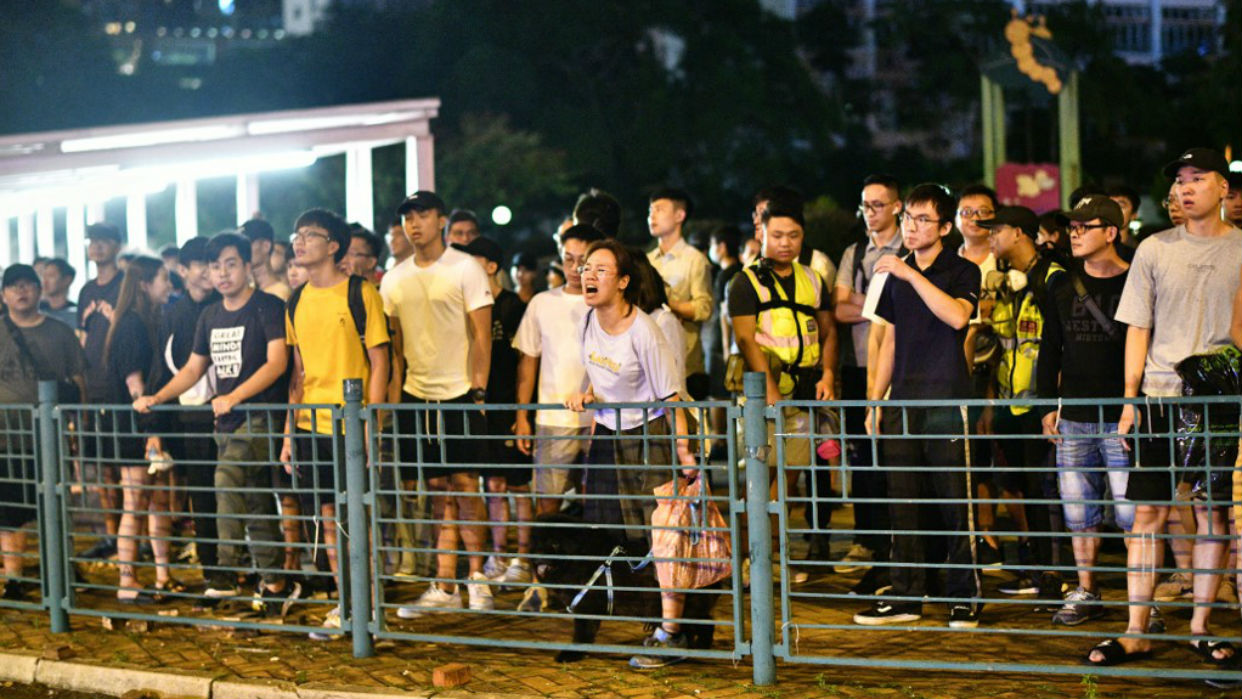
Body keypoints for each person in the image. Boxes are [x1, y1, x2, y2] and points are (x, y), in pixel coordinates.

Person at [1087, 148, 1242, 667]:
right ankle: (1136, 629)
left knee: (1211, 513)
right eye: (1180, 180)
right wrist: (1131, 401)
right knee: (1147, 514)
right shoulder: (1153, 249)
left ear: (1224, 188)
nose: (1186, 187)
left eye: (1198, 178)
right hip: (1157, 398)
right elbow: (1138, 327)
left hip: (1220, 400)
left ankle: (1201, 626)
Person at [134, 232, 300, 617]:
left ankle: (223, 569)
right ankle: (277, 583)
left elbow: (277, 363)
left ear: (246, 266)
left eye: (230, 264)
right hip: (225, 422)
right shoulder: (209, 315)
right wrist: (157, 398)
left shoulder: (268, 307)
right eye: (215, 266)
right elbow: (194, 368)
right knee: (257, 504)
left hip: (260, 418)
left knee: (224, 479)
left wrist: (235, 396)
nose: (222, 273)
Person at [852, 183, 982, 629]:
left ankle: (965, 596)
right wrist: (875, 402)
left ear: (946, 227)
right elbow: (887, 341)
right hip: (902, 402)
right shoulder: (894, 273)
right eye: (908, 217)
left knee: (954, 502)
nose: (911, 226)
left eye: (923, 219)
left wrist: (912, 276)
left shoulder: (963, 270)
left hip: (947, 399)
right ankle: (906, 594)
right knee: (902, 503)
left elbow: (958, 317)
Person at [563, 238, 696, 670]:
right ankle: (647, 619)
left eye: (601, 269)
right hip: (607, 433)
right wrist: (586, 395)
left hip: (651, 436)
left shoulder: (645, 330)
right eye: (586, 267)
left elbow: (673, 397)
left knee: (660, 532)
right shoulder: (588, 320)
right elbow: (601, 374)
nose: (589, 274)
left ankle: (672, 632)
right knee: (612, 531)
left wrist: (685, 455)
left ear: (622, 281)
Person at [382, 191, 494, 617]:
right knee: (434, 491)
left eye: (423, 215)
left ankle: (477, 577)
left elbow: (482, 336)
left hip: (461, 392)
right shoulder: (393, 278)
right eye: (408, 216)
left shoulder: (465, 267)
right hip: (416, 396)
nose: (415, 224)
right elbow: (395, 351)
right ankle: (445, 583)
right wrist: (392, 407)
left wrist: (479, 392)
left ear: (441, 220)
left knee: (466, 486)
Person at [280, 208, 390, 639]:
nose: (299, 241)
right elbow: (298, 375)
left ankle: (368, 609)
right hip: (311, 426)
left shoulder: (361, 293)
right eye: (297, 234)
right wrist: (290, 436)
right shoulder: (296, 300)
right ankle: (345, 606)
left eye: (310, 235)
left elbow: (380, 362)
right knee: (328, 519)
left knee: (358, 518)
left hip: (351, 423)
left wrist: (368, 420)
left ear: (333, 246)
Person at [1036, 196, 1134, 627]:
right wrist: (1046, 405)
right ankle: (1087, 589)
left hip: (1123, 415)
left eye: (1083, 227)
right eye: (1070, 228)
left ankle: (1140, 601)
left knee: (1133, 514)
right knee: (1079, 511)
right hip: (1073, 414)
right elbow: (1050, 347)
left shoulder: (1137, 280)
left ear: (1110, 232)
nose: (1073, 234)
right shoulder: (1061, 285)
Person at [730, 195, 837, 585]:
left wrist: (827, 374)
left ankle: (771, 557)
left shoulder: (813, 278)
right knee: (757, 481)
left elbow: (828, 332)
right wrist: (768, 389)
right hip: (763, 396)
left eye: (793, 235)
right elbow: (745, 339)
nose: (785, 242)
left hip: (805, 392)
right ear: (761, 234)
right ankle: (747, 560)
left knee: (790, 478)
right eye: (777, 235)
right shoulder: (744, 282)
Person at [976, 206, 1065, 600]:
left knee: (1047, 491)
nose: (989, 237)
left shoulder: (1052, 278)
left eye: (995, 230)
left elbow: (1060, 344)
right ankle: (1036, 568)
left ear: (1018, 232)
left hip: (1041, 406)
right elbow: (997, 346)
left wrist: (1056, 403)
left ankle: (1054, 574)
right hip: (1010, 403)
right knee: (1021, 487)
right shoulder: (1001, 284)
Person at [832, 174, 904, 582]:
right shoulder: (855, 251)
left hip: (893, 369)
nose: (870, 212)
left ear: (897, 206)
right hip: (857, 366)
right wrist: (881, 302)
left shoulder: (907, 248)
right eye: (865, 205)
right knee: (862, 456)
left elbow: (900, 305)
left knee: (895, 455)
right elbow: (839, 310)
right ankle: (866, 536)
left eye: (878, 204)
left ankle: (896, 537)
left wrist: (862, 302)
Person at [0, 265, 85, 600]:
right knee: (8, 513)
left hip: (50, 437)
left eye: (28, 285)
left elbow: (79, 381)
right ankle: (15, 579)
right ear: (4, 295)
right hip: (6, 439)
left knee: (54, 507)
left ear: (39, 291)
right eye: (14, 287)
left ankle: (61, 572)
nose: (22, 292)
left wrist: (79, 427)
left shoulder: (60, 333)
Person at [453, 236, 534, 587]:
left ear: (491, 266)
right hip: (482, 407)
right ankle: (498, 555)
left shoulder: (515, 306)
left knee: (519, 485)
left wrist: (521, 414)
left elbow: (525, 364)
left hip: (510, 406)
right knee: (493, 484)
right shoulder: (467, 307)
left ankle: (524, 557)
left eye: (474, 261)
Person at [144, 237, 222, 602]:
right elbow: (162, 371)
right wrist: (154, 430)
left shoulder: (229, 304)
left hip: (232, 416)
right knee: (202, 498)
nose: (209, 272)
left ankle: (249, 568)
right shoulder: (173, 315)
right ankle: (214, 572)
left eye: (215, 263)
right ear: (183, 270)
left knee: (241, 496)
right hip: (189, 420)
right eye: (201, 265)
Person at [513, 224, 602, 516]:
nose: (575, 267)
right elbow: (528, 363)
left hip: (600, 419)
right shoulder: (542, 303)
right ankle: (546, 562)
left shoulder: (606, 304)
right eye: (568, 259)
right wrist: (522, 416)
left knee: (597, 501)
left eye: (583, 260)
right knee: (548, 501)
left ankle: (594, 562)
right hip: (553, 417)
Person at [102, 256, 175, 602]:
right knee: (136, 502)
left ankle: (162, 575)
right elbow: (136, 386)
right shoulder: (132, 325)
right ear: (145, 284)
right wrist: (150, 432)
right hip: (137, 428)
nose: (169, 286)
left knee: (157, 500)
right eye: (163, 279)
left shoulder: (143, 320)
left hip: (147, 424)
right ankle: (126, 581)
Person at [77, 222, 125, 560]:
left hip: (121, 386)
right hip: (92, 387)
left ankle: (130, 538)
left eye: (103, 240)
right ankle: (111, 535)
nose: (97, 246)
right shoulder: (86, 291)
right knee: (103, 467)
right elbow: (82, 336)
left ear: (116, 245)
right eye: (93, 241)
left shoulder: (125, 285)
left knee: (127, 466)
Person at [647, 188, 713, 399]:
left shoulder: (695, 260)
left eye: (659, 209)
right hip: (649, 362)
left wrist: (666, 303)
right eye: (650, 210)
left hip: (686, 364)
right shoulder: (647, 261)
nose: (652, 216)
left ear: (679, 215)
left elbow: (704, 308)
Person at [707, 225, 743, 460]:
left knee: (718, 395)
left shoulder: (724, 276)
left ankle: (720, 441)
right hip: (736, 344)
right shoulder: (741, 271)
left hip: (725, 346)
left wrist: (725, 346)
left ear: (721, 247)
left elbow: (723, 315)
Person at [240, 218, 292, 302]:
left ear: (266, 246)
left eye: (247, 245)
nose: (241, 250)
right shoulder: (245, 292)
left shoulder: (280, 293)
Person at [38, 258, 77, 330]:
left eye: (51, 276)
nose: (45, 281)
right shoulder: (37, 310)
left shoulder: (76, 314)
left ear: (67, 280)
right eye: (44, 276)